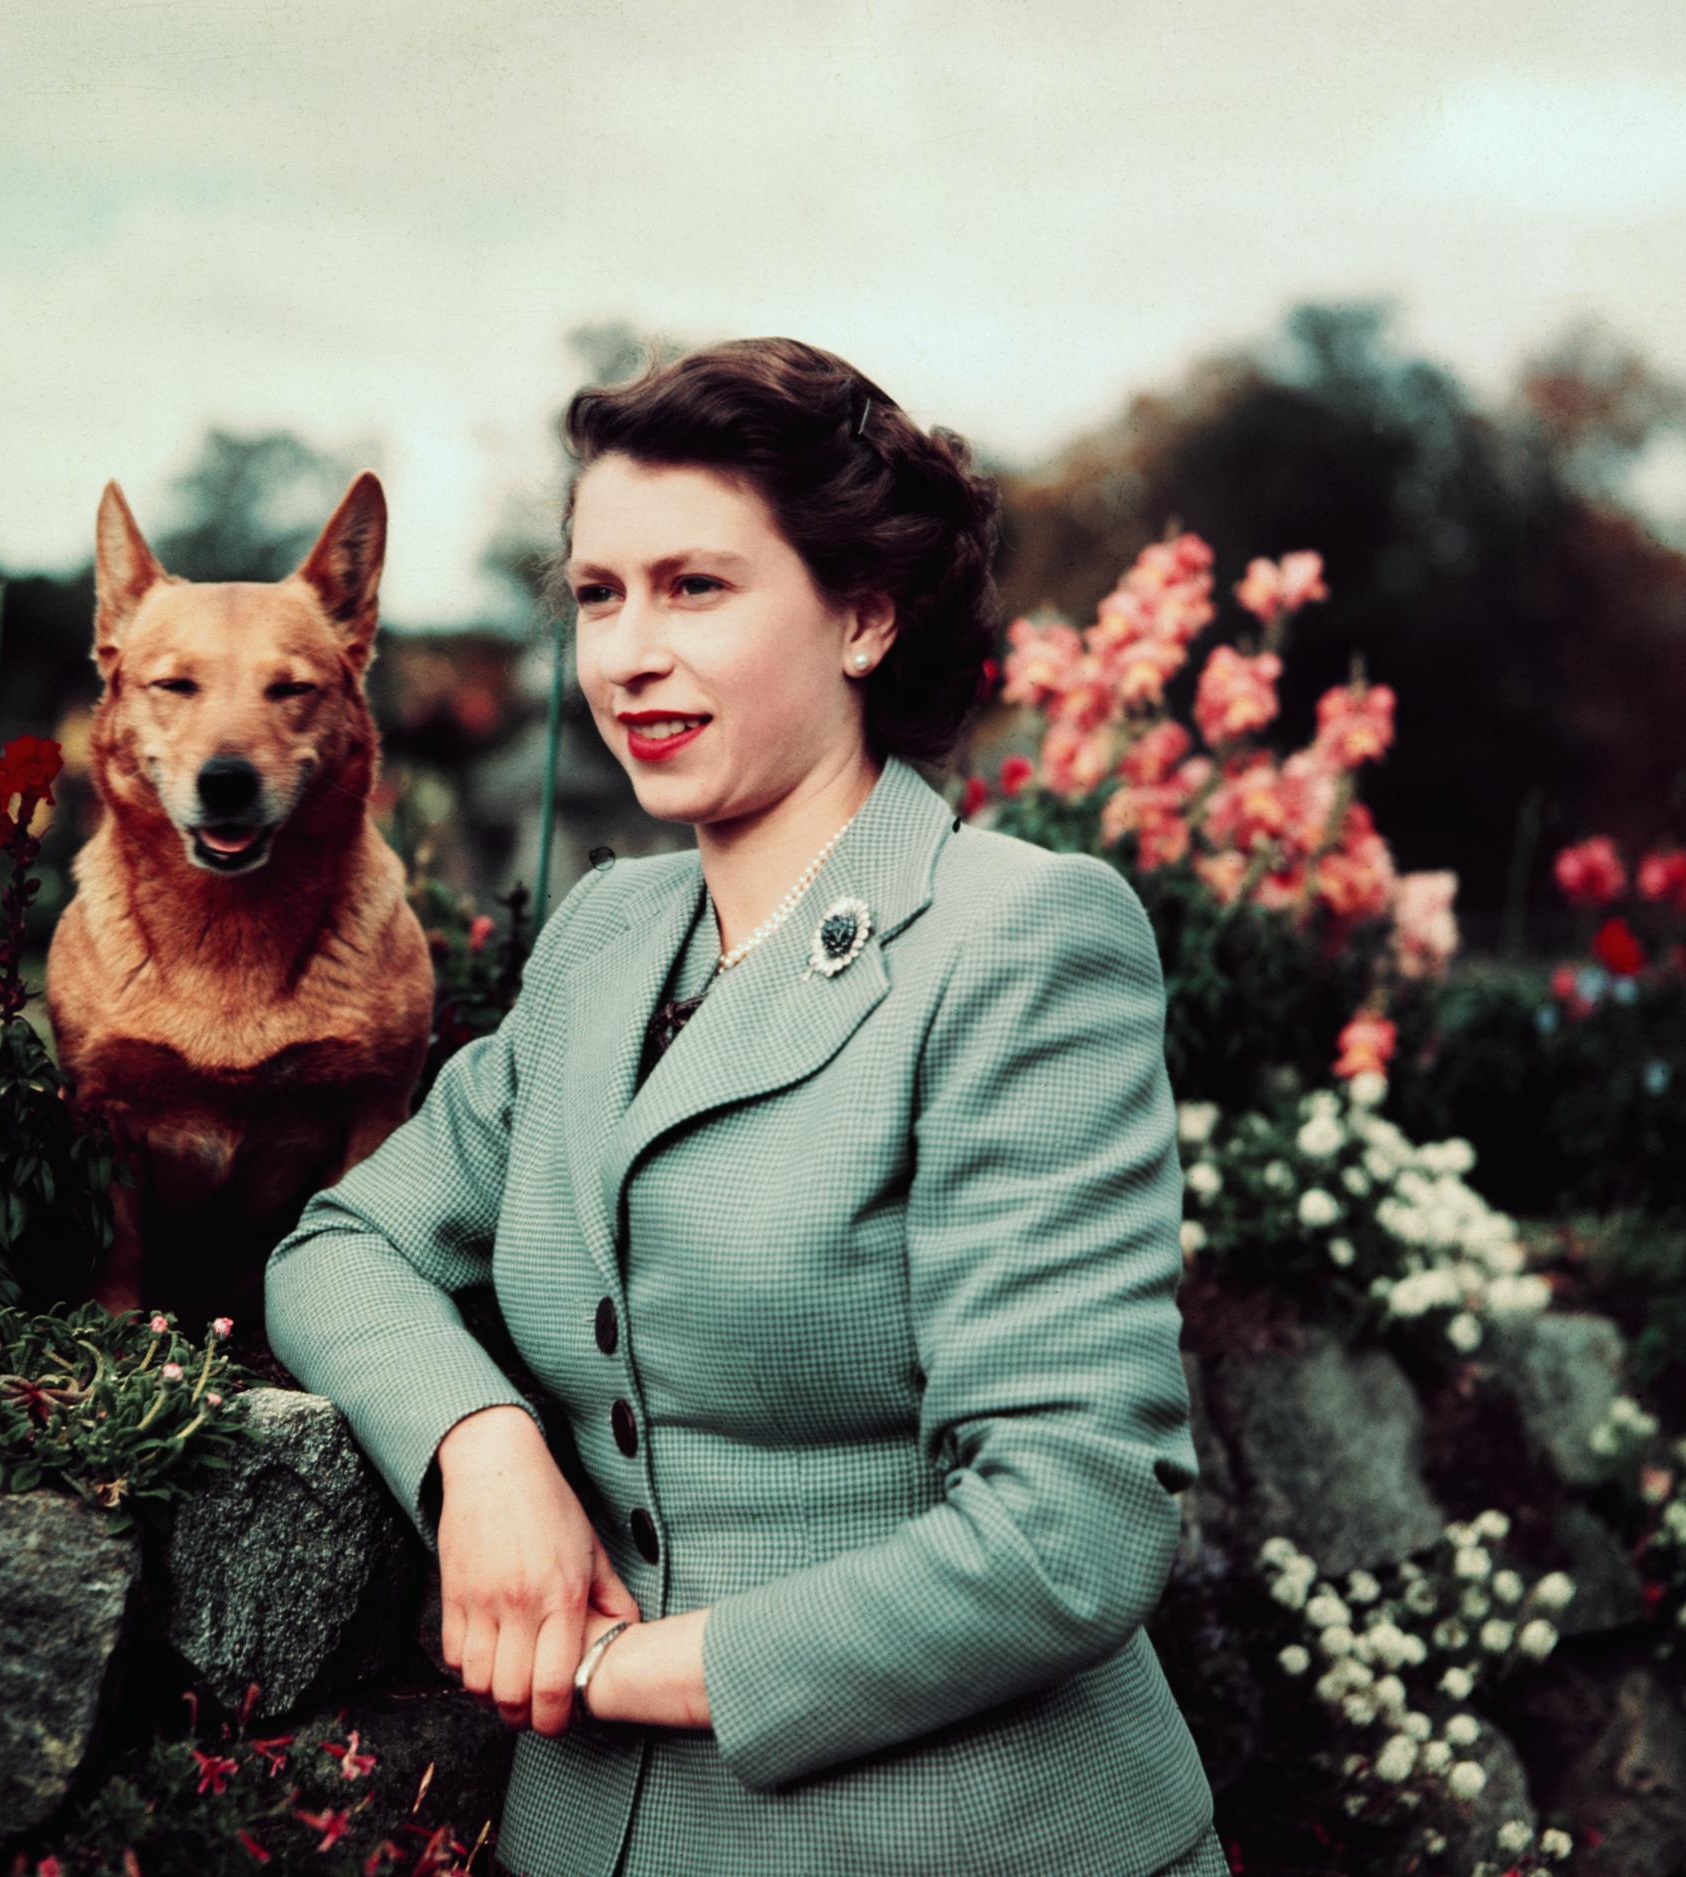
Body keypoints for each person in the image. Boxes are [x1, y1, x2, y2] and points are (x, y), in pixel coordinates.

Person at [263, 337, 1225, 1877]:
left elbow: (1072, 1522)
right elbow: (338, 1247)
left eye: (695, 587)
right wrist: (484, 1444)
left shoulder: (1020, 937)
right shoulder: (602, 939)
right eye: (597, 593)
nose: (627, 653)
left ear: (861, 615)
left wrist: (623, 1667)